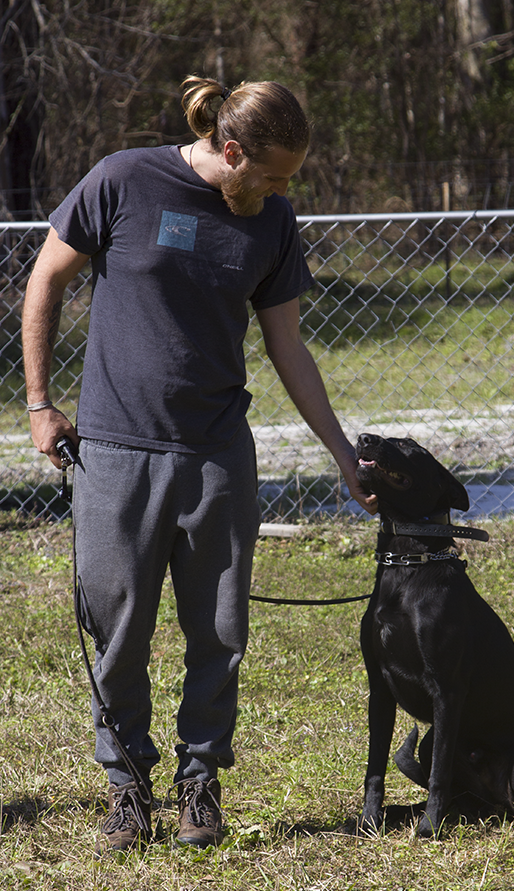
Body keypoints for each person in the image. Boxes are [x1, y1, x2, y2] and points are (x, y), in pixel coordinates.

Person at [22, 75, 377, 855]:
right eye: (274, 174)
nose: (284, 190)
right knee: (116, 630)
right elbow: (45, 279)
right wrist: (41, 402)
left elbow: (289, 346)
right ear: (230, 148)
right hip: (116, 450)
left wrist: (343, 454)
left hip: (217, 454)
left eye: (291, 178)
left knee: (219, 630)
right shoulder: (124, 180)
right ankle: (126, 787)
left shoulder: (271, 220)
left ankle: (201, 782)